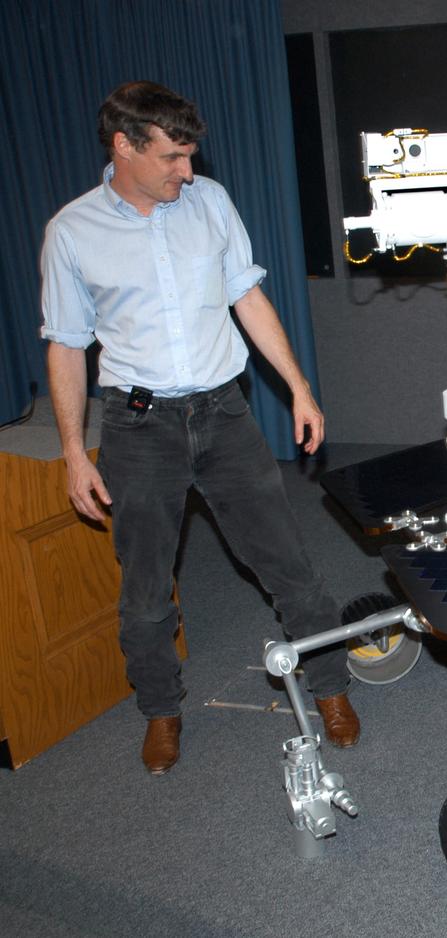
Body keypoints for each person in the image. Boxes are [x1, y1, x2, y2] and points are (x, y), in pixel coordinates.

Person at [40, 80, 359, 775]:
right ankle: (161, 709)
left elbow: (247, 296)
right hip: (138, 425)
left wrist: (299, 388)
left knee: (289, 566)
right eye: (172, 159)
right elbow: (65, 344)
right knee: (147, 590)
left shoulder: (209, 202)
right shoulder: (72, 232)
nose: (188, 172)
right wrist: (73, 451)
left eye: (190, 157)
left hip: (223, 413)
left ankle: (331, 688)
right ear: (124, 146)